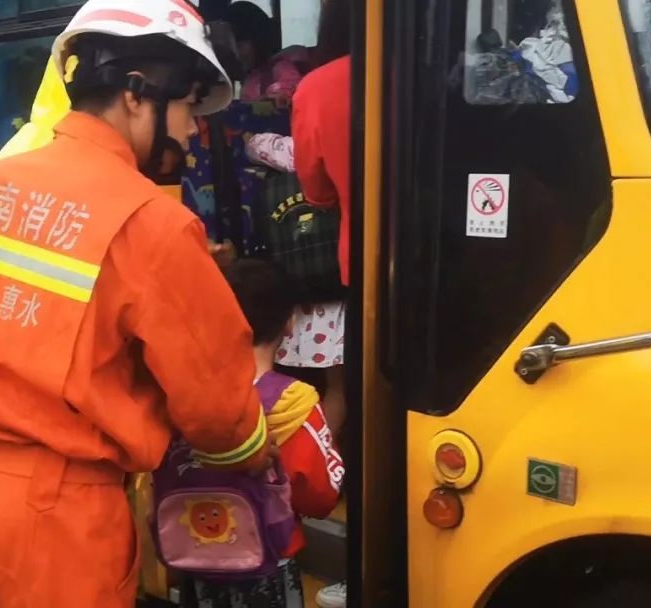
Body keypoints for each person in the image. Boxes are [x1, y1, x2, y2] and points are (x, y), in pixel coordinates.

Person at [0, 1, 276, 606]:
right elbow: (216, 410)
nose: (192, 131)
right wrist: (256, 449)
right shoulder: (152, 222)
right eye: (186, 106)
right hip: (56, 518)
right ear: (135, 93)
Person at [174, 259, 344, 608]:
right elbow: (320, 496)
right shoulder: (294, 404)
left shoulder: (183, 394)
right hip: (267, 559)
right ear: (290, 323)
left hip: (193, 555)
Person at [286, 0, 352, 605]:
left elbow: (316, 189)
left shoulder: (319, 87)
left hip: (362, 266)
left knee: (343, 384)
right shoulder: (453, 71)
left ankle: (320, 481)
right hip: (457, 271)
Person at [228, 1, 312, 105]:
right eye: (230, 48)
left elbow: (291, 84)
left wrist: (274, 97)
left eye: (240, 45)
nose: (235, 53)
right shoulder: (249, 79)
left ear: (259, 41)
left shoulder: (279, 65)